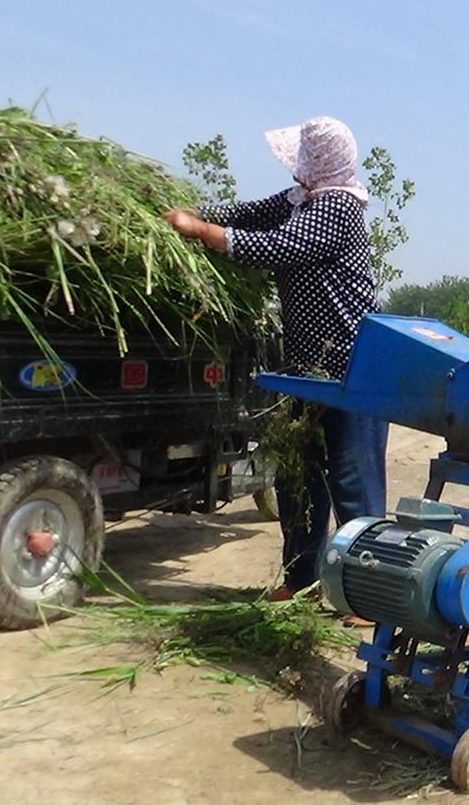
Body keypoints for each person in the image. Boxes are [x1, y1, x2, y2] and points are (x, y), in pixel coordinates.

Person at [163, 116, 385, 624]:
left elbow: (275, 247)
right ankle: (301, 579)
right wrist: (197, 212)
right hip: (304, 366)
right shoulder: (299, 200)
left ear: (318, 164)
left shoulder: (338, 208)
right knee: (298, 476)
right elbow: (250, 213)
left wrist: (200, 231)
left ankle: (370, 595)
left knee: (353, 480)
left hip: (351, 366)